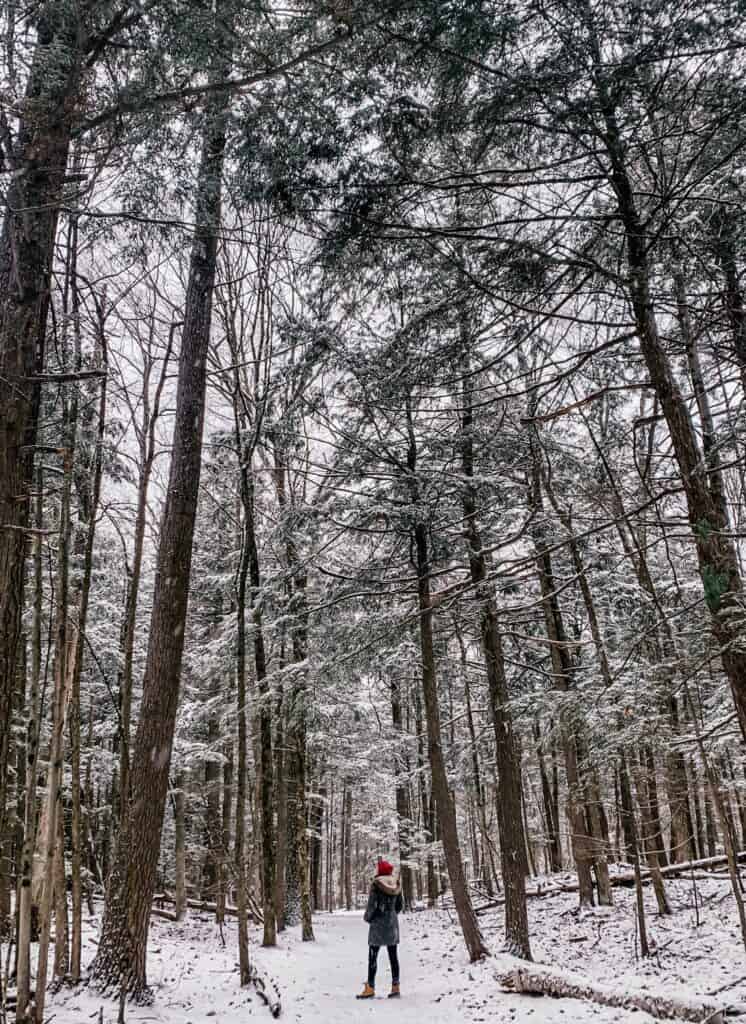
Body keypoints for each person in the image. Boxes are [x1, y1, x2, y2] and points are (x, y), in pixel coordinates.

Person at [356, 858, 404, 999]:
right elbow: (400, 906)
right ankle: (395, 987)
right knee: (393, 957)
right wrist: (392, 915)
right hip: (392, 925)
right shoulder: (396, 884)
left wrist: (368, 918)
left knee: (373, 957)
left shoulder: (376, 885)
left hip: (377, 925)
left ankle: (370, 988)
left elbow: (372, 906)